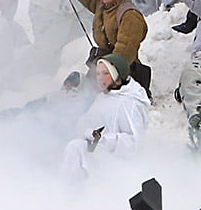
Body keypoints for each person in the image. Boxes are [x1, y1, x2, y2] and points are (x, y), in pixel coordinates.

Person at [50, 0, 150, 90]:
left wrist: (103, 79)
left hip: (122, 74)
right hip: (103, 69)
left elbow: (123, 53)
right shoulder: (103, 5)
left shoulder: (129, 16)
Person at [60, 53, 150, 181]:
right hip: (98, 153)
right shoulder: (103, 97)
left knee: (76, 148)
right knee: (74, 147)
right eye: (98, 74)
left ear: (116, 75)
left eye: (105, 73)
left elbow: (133, 143)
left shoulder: (129, 103)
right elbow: (86, 122)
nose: (100, 78)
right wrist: (88, 132)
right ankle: (68, 190)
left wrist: (105, 140)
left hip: (118, 163)